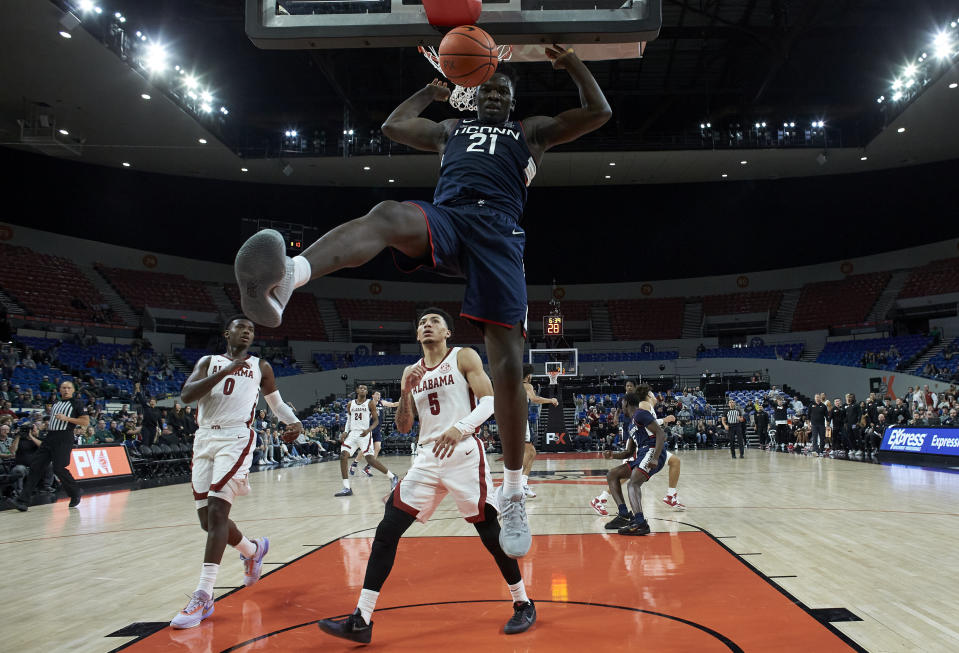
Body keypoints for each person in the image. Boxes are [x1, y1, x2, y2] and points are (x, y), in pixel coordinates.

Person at [235, 47, 611, 558]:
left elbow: (598, 112)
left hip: (499, 234)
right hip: (449, 219)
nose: (495, 95)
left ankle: (515, 489)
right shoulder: (450, 130)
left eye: (504, 91)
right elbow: (394, 126)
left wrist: (570, 64)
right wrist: (431, 93)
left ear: (513, 102)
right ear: (475, 92)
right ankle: (288, 279)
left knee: (506, 364)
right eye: (488, 89)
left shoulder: (531, 132)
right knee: (388, 213)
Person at [316, 308, 535, 643]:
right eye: (422, 323)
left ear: (447, 332)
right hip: (427, 457)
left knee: (489, 531)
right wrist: (405, 393)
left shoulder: (463, 356)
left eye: (434, 322)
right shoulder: (410, 371)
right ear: (417, 335)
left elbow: (490, 402)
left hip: (462, 451)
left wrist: (460, 428)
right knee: (387, 529)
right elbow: (404, 426)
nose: (427, 326)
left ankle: (523, 603)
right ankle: (361, 619)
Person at [169, 316, 301, 629]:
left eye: (252, 329)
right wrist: (226, 370)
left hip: (236, 437)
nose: (247, 332)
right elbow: (186, 396)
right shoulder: (208, 362)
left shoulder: (261, 367)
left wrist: (294, 422)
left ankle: (203, 595)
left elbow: (276, 403)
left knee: (216, 513)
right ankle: (253, 550)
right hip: (204, 439)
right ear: (227, 333)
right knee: (208, 522)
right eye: (241, 327)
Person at [592, 388, 668, 535]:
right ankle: (624, 515)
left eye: (622, 404)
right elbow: (628, 452)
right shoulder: (631, 424)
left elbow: (660, 433)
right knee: (612, 475)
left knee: (633, 483)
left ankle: (640, 523)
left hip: (652, 451)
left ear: (626, 403)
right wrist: (612, 455)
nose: (621, 407)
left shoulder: (640, 413)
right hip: (641, 454)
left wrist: (655, 457)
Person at [7, 381, 88, 511]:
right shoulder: (56, 402)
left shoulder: (77, 403)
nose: (66, 390)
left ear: (73, 390)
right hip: (50, 437)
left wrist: (67, 418)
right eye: (63, 388)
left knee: (59, 468)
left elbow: (85, 421)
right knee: (35, 467)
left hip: (64, 437)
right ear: (60, 390)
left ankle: (75, 492)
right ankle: (22, 501)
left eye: (69, 388)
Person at [336, 384, 397, 496]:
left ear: (367, 392)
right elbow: (349, 420)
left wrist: (369, 430)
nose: (363, 389)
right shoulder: (350, 404)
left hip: (365, 434)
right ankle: (346, 487)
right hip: (353, 434)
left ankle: (392, 476)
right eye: (361, 388)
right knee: (343, 455)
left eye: (365, 388)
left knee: (370, 460)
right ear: (357, 390)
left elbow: (376, 421)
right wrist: (345, 432)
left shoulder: (370, 403)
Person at [520, 364, 558, 498]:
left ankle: (522, 482)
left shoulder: (512, 384)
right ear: (528, 375)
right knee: (530, 451)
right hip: (519, 420)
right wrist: (551, 400)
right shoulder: (526, 385)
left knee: (531, 452)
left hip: (509, 420)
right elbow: (534, 399)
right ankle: (517, 483)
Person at [358, 390, 399, 477]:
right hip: (370, 428)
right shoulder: (368, 403)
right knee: (364, 449)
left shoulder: (382, 402)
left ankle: (368, 468)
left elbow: (393, 404)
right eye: (377, 394)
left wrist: (402, 402)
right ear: (373, 395)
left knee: (378, 448)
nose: (378, 396)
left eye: (379, 395)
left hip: (377, 430)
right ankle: (354, 464)